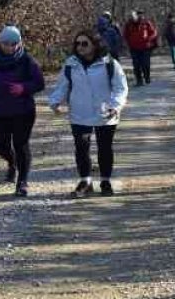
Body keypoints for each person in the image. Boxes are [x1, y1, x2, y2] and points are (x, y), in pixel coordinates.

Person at [49, 31, 128, 197]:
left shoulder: (109, 64)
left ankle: (105, 180)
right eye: (77, 44)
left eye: (85, 43)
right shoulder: (71, 64)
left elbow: (120, 88)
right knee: (81, 148)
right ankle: (85, 181)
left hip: (105, 113)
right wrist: (55, 101)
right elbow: (62, 85)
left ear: (95, 45)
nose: (80, 47)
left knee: (105, 148)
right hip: (80, 113)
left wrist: (115, 107)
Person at [0, 25, 45, 197]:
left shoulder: (27, 60)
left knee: (21, 144)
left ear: (19, 43)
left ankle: (22, 181)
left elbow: (39, 83)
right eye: (6, 43)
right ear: (0, 43)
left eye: (14, 43)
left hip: (23, 110)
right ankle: (12, 163)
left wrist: (24, 88)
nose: (10, 47)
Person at [123, 10, 158, 86]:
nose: (133, 18)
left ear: (137, 16)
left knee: (145, 64)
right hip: (134, 48)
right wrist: (127, 43)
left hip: (145, 47)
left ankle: (147, 77)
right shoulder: (128, 24)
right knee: (136, 65)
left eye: (134, 16)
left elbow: (154, 32)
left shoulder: (146, 23)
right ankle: (139, 80)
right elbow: (125, 35)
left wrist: (149, 38)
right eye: (131, 17)